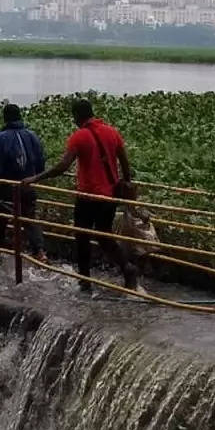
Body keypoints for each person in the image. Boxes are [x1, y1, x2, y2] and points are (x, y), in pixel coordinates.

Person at [23, 99, 138, 292]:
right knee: (104, 234)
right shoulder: (112, 132)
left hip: (88, 196)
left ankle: (85, 279)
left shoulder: (79, 137)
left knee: (82, 236)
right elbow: (124, 161)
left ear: (77, 116)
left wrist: (35, 178)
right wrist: (125, 182)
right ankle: (127, 268)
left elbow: (63, 165)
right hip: (109, 196)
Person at [0, 103, 46, 262]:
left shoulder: (1, 138)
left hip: (6, 188)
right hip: (28, 186)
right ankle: (40, 253)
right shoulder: (32, 136)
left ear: (5, 119)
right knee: (29, 219)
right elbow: (41, 163)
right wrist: (34, 178)